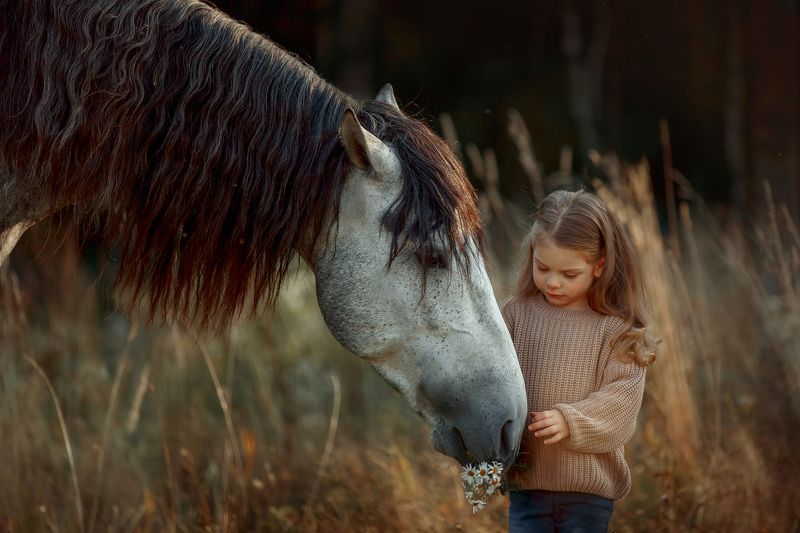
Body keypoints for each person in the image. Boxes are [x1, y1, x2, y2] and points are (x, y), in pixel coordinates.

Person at [501, 189, 657, 533]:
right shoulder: (516, 314)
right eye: (542, 268)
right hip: (528, 488)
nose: (552, 282)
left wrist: (570, 420)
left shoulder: (616, 328)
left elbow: (622, 401)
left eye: (569, 274)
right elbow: (493, 377)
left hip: (587, 495)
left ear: (599, 266)